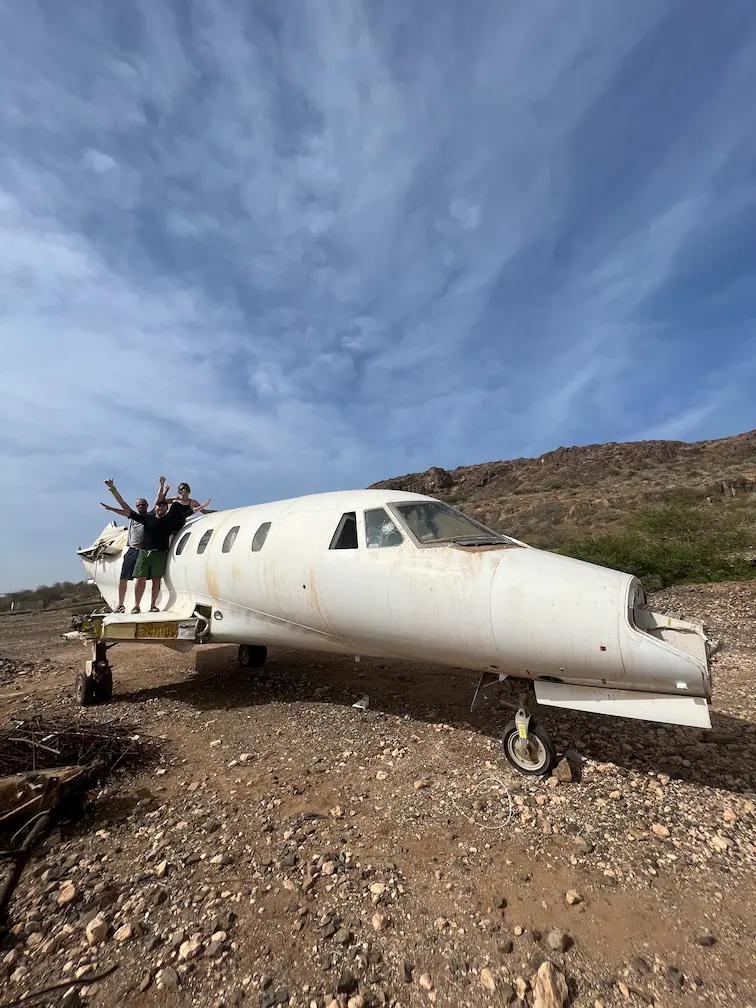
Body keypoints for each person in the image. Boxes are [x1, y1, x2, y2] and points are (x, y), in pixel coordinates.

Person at [104, 480, 211, 613]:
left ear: (166, 509)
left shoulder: (169, 520)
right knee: (138, 580)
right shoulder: (146, 518)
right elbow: (126, 511)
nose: (160, 508)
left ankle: (153, 605)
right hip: (141, 551)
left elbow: (188, 512)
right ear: (155, 508)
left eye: (163, 507)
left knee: (156, 580)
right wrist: (111, 506)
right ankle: (133, 606)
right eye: (158, 507)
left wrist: (204, 507)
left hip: (160, 553)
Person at [99, 495, 149, 612]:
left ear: (147, 506)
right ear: (136, 507)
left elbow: (160, 500)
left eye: (143, 504)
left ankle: (137, 605)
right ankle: (121, 605)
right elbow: (122, 503)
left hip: (143, 550)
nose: (141, 506)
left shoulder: (150, 517)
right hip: (132, 550)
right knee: (124, 578)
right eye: (139, 505)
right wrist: (112, 489)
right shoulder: (132, 516)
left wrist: (163, 487)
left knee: (140, 579)